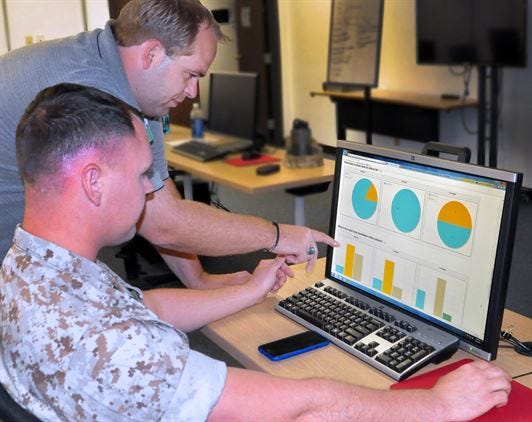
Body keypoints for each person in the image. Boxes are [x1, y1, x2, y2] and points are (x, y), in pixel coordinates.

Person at [0, 84, 511, 421]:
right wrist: (435, 405)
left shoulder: (29, 265)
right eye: (140, 175)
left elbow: (144, 306)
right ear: (93, 182)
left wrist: (248, 291)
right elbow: (303, 407)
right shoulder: (115, 350)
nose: (147, 191)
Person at [0, 0, 337, 285]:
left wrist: (199, 280)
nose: (192, 92)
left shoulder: (125, 78)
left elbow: (160, 199)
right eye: (190, 75)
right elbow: (164, 223)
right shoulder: (92, 92)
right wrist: (276, 235)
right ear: (152, 54)